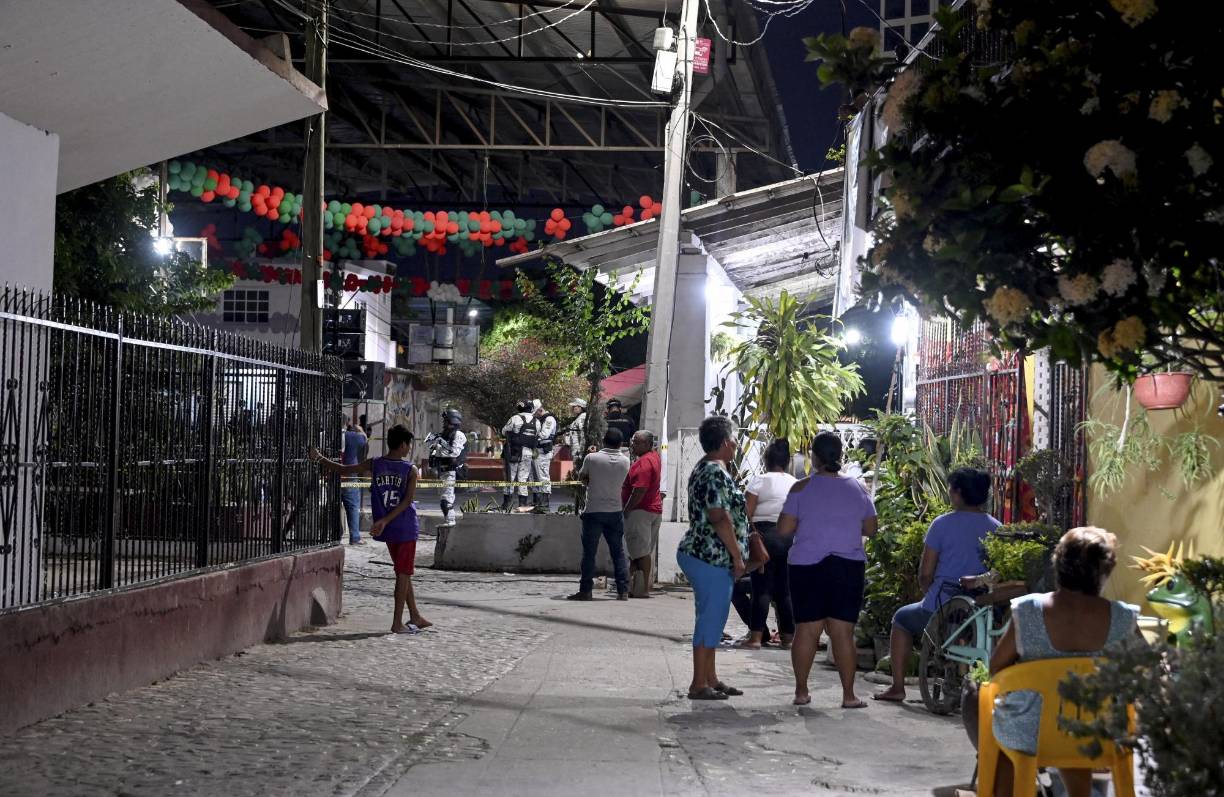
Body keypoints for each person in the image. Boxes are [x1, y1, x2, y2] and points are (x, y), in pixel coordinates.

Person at [977, 527, 1139, 797]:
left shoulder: (1028, 610)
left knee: (984, 702)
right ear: (1105, 572)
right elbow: (1146, 669)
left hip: (1031, 735)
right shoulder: (1123, 618)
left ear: (1057, 565)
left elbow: (996, 668)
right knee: (1077, 717)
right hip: (1102, 734)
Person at [873, 467, 1000, 703]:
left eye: (952, 489)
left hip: (941, 604)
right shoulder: (997, 527)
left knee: (901, 619)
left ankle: (898, 686)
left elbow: (926, 573)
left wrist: (927, 594)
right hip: (979, 609)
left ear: (958, 493)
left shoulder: (942, 524)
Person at [777, 431, 878, 708]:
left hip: (807, 567)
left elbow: (784, 530)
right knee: (842, 633)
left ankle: (801, 691)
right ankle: (848, 695)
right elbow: (871, 528)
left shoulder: (800, 488)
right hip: (847, 567)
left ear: (815, 457)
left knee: (806, 631)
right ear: (840, 455)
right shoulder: (857, 488)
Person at [311, 425, 431, 634]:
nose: (409, 448)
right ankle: (397, 623)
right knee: (403, 574)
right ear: (403, 445)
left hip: (389, 529)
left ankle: (415, 615)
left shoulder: (375, 464)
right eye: (409, 444)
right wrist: (385, 520)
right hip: (404, 526)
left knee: (403, 572)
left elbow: (344, 470)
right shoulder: (409, 469)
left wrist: (319, 458)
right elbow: (407, 502)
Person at [677, 415, 749, 701]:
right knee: (711, 619)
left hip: (704, 553)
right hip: (711, 555)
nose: (736, 443)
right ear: (723, 442)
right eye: (733, 439)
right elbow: (719, 517)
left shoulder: (708, 468)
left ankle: (710, 677)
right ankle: (698, 683)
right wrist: (738, 557)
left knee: (711, 618)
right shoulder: (715, 472)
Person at [742, 439, 798, 650]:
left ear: (766, 460)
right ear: (786, 461)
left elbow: (747, 511)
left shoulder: (759, 480)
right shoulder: (794, 482)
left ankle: (756, 638)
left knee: (761, 588)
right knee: (785, 590)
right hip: (789, 537)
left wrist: (752, 534)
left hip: (764, 536)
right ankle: (788, 638)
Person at [568, 428, 631, 601]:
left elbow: (582, 478)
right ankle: (623, 590)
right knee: (618, 552)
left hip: (594, 510)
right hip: (615, 511)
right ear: (621, 444)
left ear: (603, 441)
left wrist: (590, 456)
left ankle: (586, 590)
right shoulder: (626, 461)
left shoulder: (592, 458)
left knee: (589, 553)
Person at [622, 430, 663, 598]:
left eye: (637, 442)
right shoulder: (653, 457)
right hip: (651, 509)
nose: (633, 445)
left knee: (640, 553)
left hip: (641, 511)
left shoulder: (644, 463)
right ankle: (633, 585)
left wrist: (627, 509)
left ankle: (642, 588)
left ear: (647, 444)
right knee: (639, 551)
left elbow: (639, 490)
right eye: (633, 441)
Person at [427, 408, 467, 528]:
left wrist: (438, 449)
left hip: (452, 472)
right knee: (443, 500)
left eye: (446, 420)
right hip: (443, 471)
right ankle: (448, 522)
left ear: (452, 421)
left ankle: (450, 523)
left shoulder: (458, 435)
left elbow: (453, 453)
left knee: (446, 501)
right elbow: (432, 448)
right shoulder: (444, 434)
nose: (444, 423)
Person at [501, 399, 536, 511]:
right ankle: (522, 504)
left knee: (510, 478)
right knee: (523, 479)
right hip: (528, 453)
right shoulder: (537, 421)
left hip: (514, 452)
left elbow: (504, 431)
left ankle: (507, 504)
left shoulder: (515, 418)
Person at [340, 423, 369, 545]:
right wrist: (361, 430)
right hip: (349, 474)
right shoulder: (355, 436)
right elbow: (364, 441)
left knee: (332, 507)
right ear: (346, 424)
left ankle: (336, 535)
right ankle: (355, 537)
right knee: (352, 506)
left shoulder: (325, 435)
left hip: (332, 473)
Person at [531, 401, 559, 513]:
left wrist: (531, 438)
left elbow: (544, 435)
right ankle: (538, 501)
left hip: (544, 451)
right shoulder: (541, 419)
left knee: (543, 476)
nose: (535, 415)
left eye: (535, 412)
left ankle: (545, 503)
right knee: (536, 476)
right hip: (538, 451)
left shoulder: (549, 419)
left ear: (539, 410)